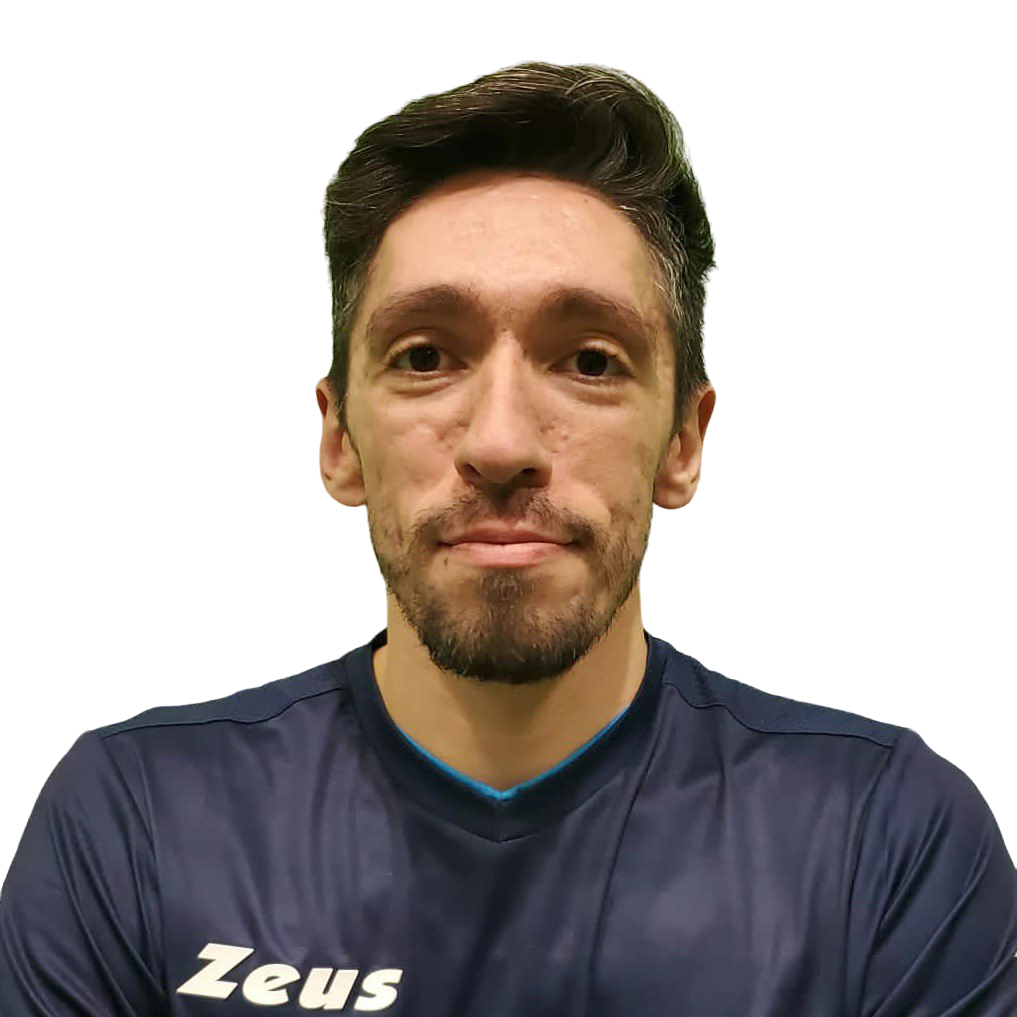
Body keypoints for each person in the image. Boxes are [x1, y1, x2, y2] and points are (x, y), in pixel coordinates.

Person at [2, 59, 1014, 1015]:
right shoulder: (137, 823)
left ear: (685, 443)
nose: (499, 443)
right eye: (424, 355)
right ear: (338, 440)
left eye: (590, 360)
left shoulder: (883, 835)